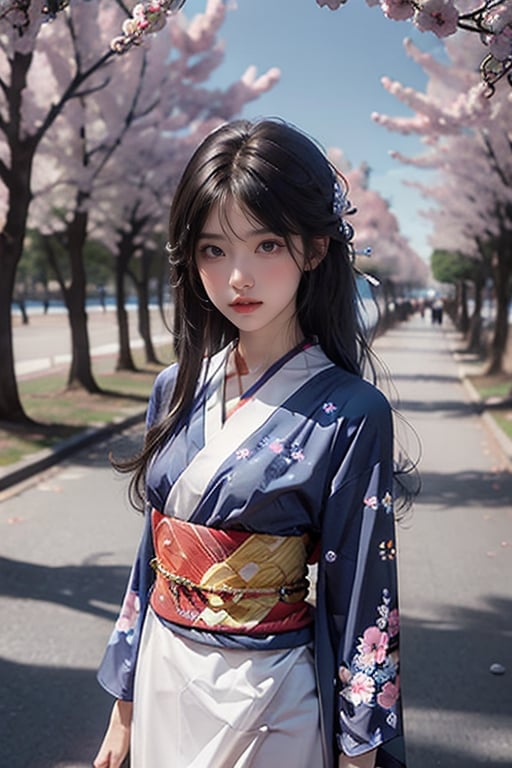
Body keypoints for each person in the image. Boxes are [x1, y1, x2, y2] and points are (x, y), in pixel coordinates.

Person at [93, 118, 404, 768]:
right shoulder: (174, 387)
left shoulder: (354, 412)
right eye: (213, 250)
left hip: (269, 694)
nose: (238, 277)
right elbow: (150, 551)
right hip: (162, 672)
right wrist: (121, 708)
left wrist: (358, 752)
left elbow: (363, 600)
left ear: (315, 247)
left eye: (266, 244)